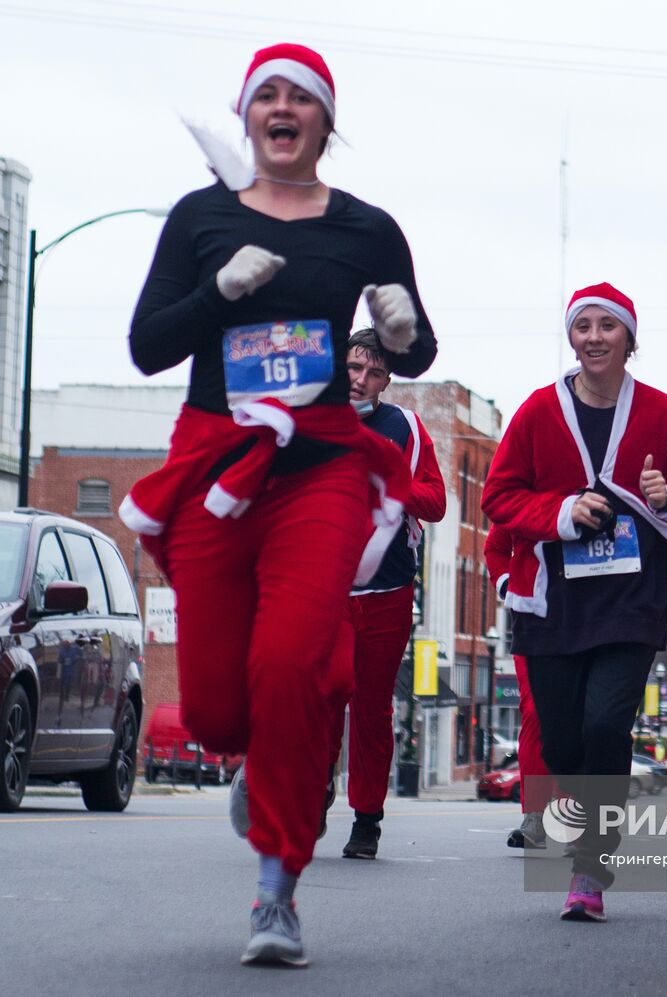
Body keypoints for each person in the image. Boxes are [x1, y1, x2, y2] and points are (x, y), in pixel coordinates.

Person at [122, 43, 436, 968]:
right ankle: (262, 754)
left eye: (303, 97)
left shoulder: (367, 228)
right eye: (268, 95)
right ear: (247, 115)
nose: (284, 108)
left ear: (327, 124)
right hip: (218, 460)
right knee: (219, 710)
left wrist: (402, 330)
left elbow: (417, 350)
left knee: (292, 662)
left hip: (322, 465)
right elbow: (148, 345)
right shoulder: (202, 217)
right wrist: (216, 293)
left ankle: (277, 892)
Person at [482, 282, 667, 922]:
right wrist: (562, 511)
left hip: (631, 599)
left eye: (607, 326)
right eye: (582, 326)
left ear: (629, 339)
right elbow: (498, 497)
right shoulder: (538, 411)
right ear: (571, 337)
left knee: (606, 724)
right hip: (554, 601)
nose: (594, 337)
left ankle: (591, 864)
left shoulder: (663, 413)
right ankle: (589, 819)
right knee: (560, 742)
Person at [322, 328, 446, 859]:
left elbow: (436, 502)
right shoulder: (312, 420)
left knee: (371, 708)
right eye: (353, 367)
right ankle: (314, 790)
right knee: (322, 697)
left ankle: (366, 820)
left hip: (388, 589)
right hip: (324, 589)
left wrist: (392, 482)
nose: (360, 380)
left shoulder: (407, 428)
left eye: (373, 373)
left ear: (387, 380)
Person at [483, 525, 557, 850]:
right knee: (534, 711)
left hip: (591, 615)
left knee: (588, 716)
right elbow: (495, 547)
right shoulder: (521, 499)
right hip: (533, 617)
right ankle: (535, 816)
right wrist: (506, 583)